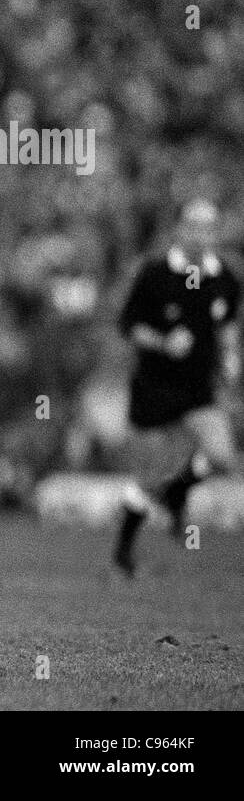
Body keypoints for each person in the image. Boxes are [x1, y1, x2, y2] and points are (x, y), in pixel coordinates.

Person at [112, 198, 240, 576]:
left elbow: (228, 326)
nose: (201, 235)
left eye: (208, 227)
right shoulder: (154, 274)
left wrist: (232, 359)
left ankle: (179, 490)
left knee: (221, 456)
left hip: (197, 389)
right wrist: (164, 342)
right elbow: (129, 327)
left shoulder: (225, 279)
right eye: (194, 226)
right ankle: (123, 551)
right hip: (154, 387)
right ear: (180, 230)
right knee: (149, 478)